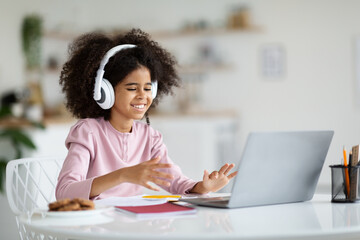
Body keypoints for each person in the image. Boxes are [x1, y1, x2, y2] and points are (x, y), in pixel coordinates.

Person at [56, 28, 238, 200]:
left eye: (148, 88)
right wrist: (123, 175)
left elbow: (176, 182)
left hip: (129, 225)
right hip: (95, 228)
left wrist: (203, 187)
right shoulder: (88, 132)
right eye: (132, 88)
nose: (143, 96)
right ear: (105, 92)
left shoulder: (149, 137)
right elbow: (64, 192)